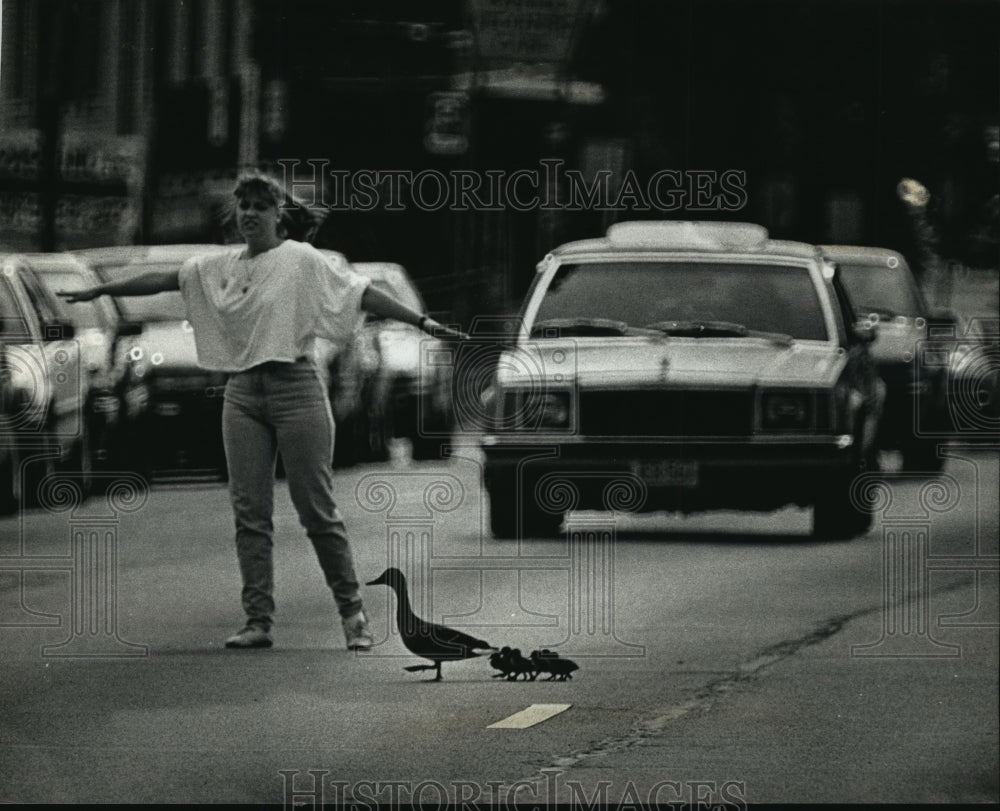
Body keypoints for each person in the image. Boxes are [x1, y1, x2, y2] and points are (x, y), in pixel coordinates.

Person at [59, 173, 467, 651]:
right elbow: (166, 277)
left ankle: (353, 614)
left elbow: (361, 293)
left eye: (259, 206)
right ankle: (258, 620)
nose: (249, 214)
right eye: (243, 206)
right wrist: (101, 292)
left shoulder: (300, 260)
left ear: (279, 215)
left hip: (297, 388)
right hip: (242, 394)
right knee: (250, 512)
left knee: (316, 510)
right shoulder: (220, 266)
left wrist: (422, 322)